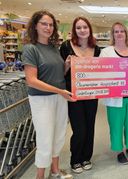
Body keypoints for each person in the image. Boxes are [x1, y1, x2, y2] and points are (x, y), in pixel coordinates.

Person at [22, 10, 75, 179]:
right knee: (45, 138)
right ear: (35, 26)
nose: (48, 27)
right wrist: (60, 91)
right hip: (41, 99)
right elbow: (31, 80)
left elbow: (58, 74)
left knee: (59, 135)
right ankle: (39, 176)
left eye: (51, 24)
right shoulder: (31, 49)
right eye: (44, 24)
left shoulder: (54, 48)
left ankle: (55, 171)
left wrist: (66, 65)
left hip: (59, 97)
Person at [59, 17, 100, 173]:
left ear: (89, 29)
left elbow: (99, 72)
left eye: (85, 27)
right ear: (74, 30)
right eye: (78, 28)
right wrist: (67, 65)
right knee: (79, 128)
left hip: (91, 94)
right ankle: (75, 159)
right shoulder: (65, 47)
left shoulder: (96, 49)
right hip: (74, 94)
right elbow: (60, 74)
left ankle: (86, 157)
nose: (82, 30)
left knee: (90, 127)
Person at [99, 22, 128, 164]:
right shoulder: (106, 52)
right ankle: (119, 150)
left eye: (122, 31)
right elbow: (101, 72)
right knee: (116, 124)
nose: (119, 34)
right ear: (113, 34)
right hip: (115, 96)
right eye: (116, 31)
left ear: (126, 34)